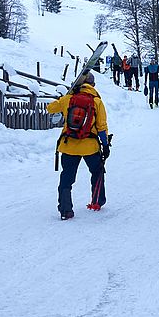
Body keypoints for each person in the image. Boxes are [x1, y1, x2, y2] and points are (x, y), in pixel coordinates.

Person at [46, 71, 112, 216]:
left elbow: (50, 108)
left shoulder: (68, 99)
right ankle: (97, 201)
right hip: (90, 147)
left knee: (67, 177)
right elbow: (101, 126)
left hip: (69, 144)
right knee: (97, 171)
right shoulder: (97, 102)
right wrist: (105, 145)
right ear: (93, 85)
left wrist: (64, 98)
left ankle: (65, 210)